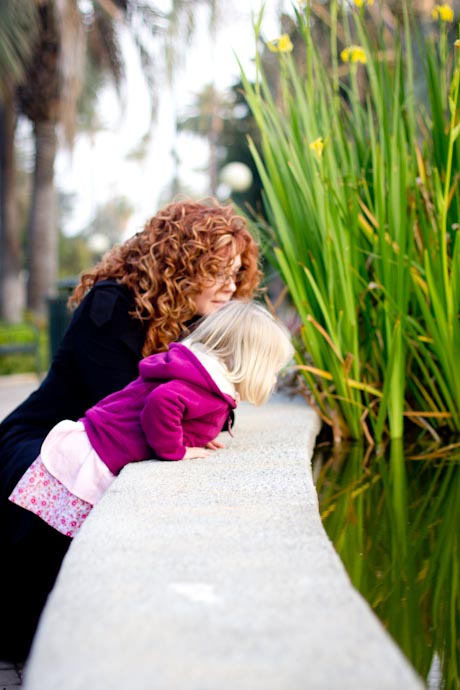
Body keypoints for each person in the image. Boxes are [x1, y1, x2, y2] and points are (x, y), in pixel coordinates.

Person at [0, 198, 260, 660]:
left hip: (98, 442)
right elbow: (136, 410)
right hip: (44, 440)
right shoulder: (111, 305)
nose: (228, 286)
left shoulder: (196, 320)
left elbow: (218, 408)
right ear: (179, 265)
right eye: (215, 270)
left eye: (235, 273)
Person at [9, 301, 293, 543]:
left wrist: (193, 435)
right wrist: (176, 451)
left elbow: (180, 410)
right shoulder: (202, 386)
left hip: (93, 438)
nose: (273, 379)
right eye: (271, 371)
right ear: (245, 362)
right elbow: (161, 403)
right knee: (58, 537)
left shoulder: (198, 374)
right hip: (99, 452)